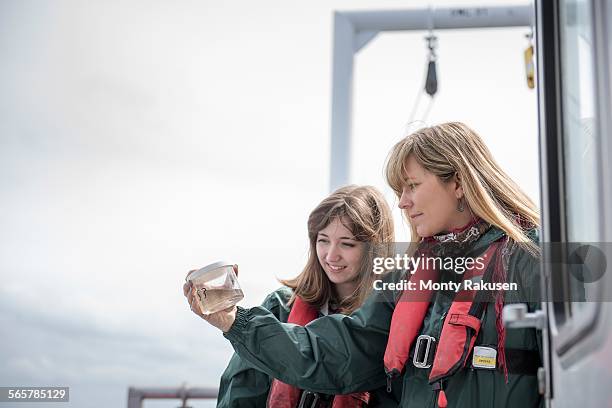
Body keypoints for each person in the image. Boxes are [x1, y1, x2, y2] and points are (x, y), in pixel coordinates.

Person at [186, 122, 543, 408]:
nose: (401, 202)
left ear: (459, 184)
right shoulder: (410, 278)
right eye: (322, 241)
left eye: (412, 186)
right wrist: (233, 321)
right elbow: (338, 355)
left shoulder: (537, 261)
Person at [185, 185, 396, 407]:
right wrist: (229, 318)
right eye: (323, 240)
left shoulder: (385, 320)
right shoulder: (279, 308)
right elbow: (241, 395)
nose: (331, 255)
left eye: (347, 244)